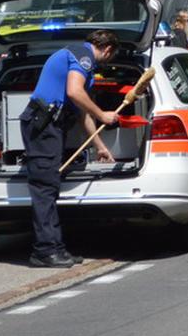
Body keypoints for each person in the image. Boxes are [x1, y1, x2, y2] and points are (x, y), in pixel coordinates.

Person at [21, 30, 120, 268]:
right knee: (45, 188)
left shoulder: (78, 57)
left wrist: (100, 146)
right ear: (107, 49)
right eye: (110, 56)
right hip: (43, 125)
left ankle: (55, 247)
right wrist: (103, 114)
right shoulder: (83, 56)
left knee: (49, 186)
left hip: (48, 126)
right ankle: (45, 251)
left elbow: (81, 113)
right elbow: (74, 92)